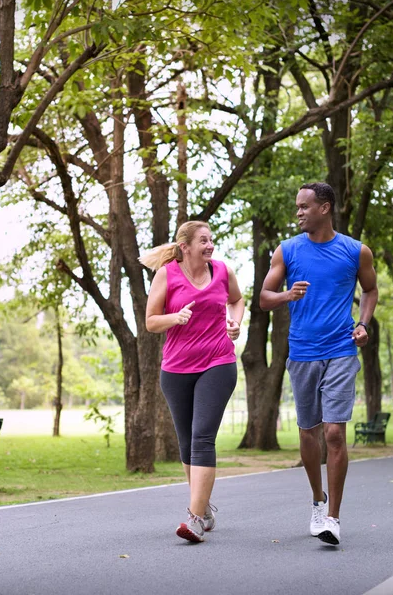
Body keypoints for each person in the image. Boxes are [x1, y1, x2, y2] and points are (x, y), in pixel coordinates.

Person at [260, 182, 378, 546]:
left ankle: (333, 518)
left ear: (324, 208)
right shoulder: (288, 250)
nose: (298, 213)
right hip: (302, 352)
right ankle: (317, 499)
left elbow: (369, 291)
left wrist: (362, 325)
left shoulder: (356, 251)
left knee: (334, 432)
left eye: (304, 207)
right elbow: (264, 298)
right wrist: (286, 294)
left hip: (342, 349)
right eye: (297, 207)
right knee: (308, 431)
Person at [140, 220, 245, 543]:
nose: (210, 245)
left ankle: (195, 518)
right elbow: (150, 321)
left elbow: (237, 301)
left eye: (211, 239)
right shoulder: (167, 274)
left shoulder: (223, 271)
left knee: (202, 439)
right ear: (185, 247)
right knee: (186, 443)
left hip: (218, 362)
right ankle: (205, 509)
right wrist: (176, 317)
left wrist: (235, 323)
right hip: (176, 369)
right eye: (203, 240)